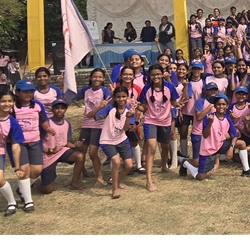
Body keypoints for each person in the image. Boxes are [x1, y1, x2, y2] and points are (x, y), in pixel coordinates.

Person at [11, 79, 54, 213]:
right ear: (17, 93)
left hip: (35, 141)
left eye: (30, 91)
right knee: (24, 171)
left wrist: (48, 128)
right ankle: (28, 201)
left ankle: (22, 189)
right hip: (19, 143)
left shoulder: (37, 105)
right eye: (25, 92)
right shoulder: (13, 107)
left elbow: (43, 120)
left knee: (36, 170)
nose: (28, 94)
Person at [136, 64, 182, 192]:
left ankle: (164, 166)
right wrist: (137, 106)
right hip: (150, 121)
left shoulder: (169, 86)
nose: (155, 77)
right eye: (152, 75)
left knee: (165, 146)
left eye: (158, 74)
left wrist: (178, 104)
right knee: (152, 147)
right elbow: (143, 106)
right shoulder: (146, 88)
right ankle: (149, 181)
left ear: (162, 74)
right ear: (149, 76)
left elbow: (173, 102)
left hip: (165, 121)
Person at [180, 94, 239, 180]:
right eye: (219, 104)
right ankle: (185, 163)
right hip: (208, 149)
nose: (221, 106)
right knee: (200, 177)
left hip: (219, 145)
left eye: (223, 104)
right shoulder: (208, 117)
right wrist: (210, 123)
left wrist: (231, 148)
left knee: (241, 144)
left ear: (227, 106)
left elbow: (234, 136)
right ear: (214, 106)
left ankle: (246, 170)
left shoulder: (227, 119)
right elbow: (205, 135)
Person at [35, 99, 85, 194]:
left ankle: (74, 182)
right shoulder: (46, 124)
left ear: (66, 110)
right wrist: (47, 150)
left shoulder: (67, 124)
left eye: (62, 108)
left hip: (61, 151)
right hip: (48, 155)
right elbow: (37, 141)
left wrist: (75, 145)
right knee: (48, 190)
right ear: (52, 110)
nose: (59, 110)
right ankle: (36, 182)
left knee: (80, 156)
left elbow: (66, 142)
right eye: (57, 108)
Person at [75, 69, 112, 186]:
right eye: (95, 77)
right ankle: (80, 174)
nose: (97, 79)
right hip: (86, 125)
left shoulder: (105, 91)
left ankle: (99, 177)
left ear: (103, 79)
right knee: (80, 152)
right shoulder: (86, 90)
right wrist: (63, 84)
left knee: (92, 153)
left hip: (99, 125)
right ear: (91, 78)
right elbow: (74, 96)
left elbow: (111, 104)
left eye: (100, 77)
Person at [96, 86, 134, 198]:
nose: (121, 99)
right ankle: (115, 189)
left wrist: (128, 117)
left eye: (123, 96)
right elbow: (96, 116)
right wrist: (102, 106)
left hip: (122, 139)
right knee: (116, 162)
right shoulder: (110, 108)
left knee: (129, 166)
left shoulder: (129, 110)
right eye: (118, 97)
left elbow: (126, 129)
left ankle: (116, 181)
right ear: (114, 98)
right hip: (107, 140)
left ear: (127, 97)